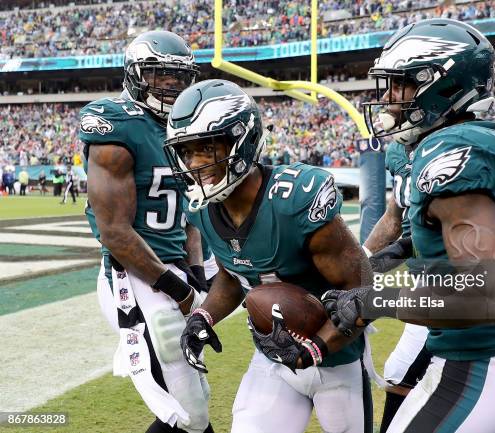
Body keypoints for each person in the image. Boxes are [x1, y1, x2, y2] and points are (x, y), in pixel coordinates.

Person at [324, 19, 495, 433]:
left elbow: (490, 296)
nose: (389, 99)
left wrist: (375, 301)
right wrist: (391, 254)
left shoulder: (451, 150)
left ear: (444, 84)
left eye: (402, 85)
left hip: (485, 361)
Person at [166, 79, 374, 433]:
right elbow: (234, 276)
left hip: (337, 361)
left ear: (242, 141)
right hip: (272, 360)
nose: (194, 163)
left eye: (206, 148)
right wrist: (203, 316)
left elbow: (364, 292)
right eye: (187, 152)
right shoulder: (203, 207)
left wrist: (314, 349)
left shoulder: (294, 201)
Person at [78, 30, 214, 433]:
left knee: (194, 402)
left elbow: (190, 211)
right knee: (189, 413)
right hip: (132, 274)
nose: (171, 85)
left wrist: (196, 273)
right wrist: (181, 290)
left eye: (178, 76)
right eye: (159, 74)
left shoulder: (183, 127)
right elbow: (114, 233)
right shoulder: (116, 125)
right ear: (136, 74)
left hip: (171, 266)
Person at [361, 140, 430, 433]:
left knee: (400, 372)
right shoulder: (403, 150)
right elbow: (393, 218)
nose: (393, 96)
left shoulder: (457, 148)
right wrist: (360, 264)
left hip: (464, 287)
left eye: (405, 89)